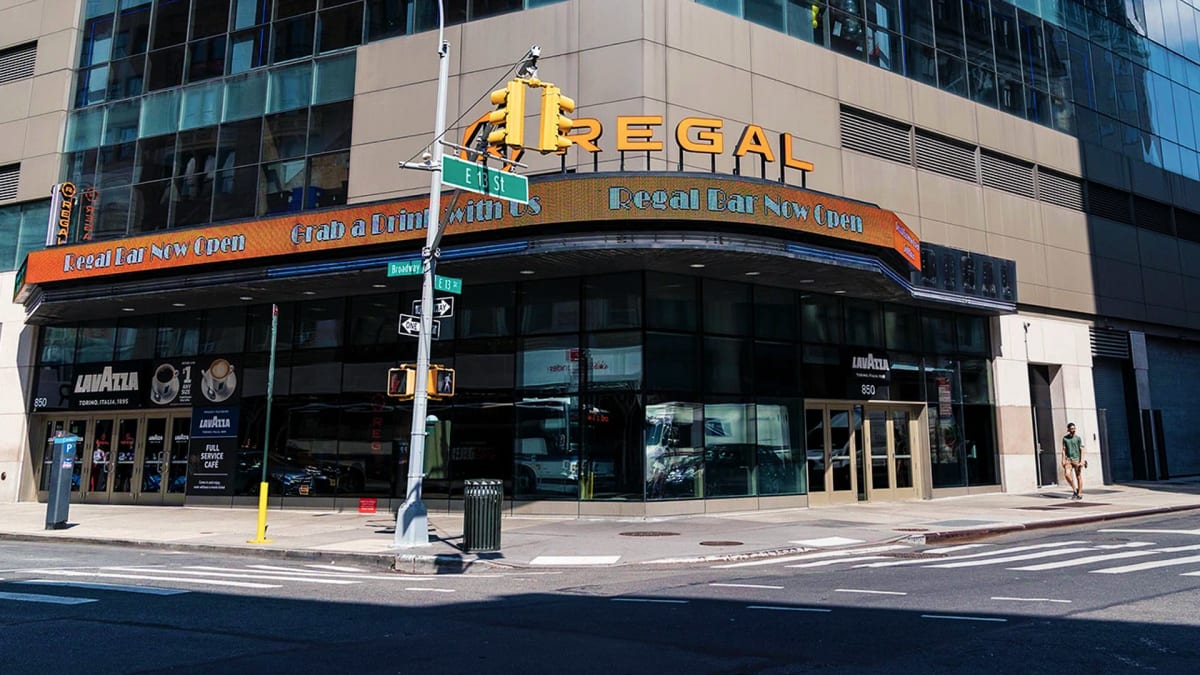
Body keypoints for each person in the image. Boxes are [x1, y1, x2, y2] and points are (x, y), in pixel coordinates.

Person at [1062, 422, 1085, 500]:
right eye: (1071, 429)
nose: (1073, 430)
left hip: (1077, 460)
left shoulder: (1078, 438)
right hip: (1068, 460)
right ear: (1068, 430)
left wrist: (1082, 461)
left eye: (1074, 428)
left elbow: (1082, 449)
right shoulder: (1065, 438)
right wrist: (1063, 460)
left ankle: (1080, 493)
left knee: (1078, 476)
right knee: (1067, 475)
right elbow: (1064, 450)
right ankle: (1075, 489)